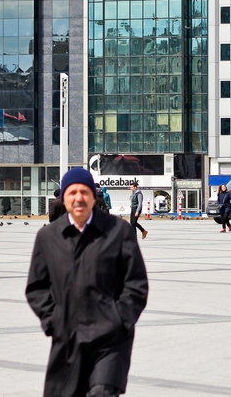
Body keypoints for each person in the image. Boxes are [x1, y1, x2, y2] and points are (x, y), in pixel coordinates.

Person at [26, 167, 148, 397]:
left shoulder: (118, 231)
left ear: (93, 195)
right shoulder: (48, 237)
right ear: (64, 198)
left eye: (84, 191)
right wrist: (54, 321)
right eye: (72, 192)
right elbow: (37, 287)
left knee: (102, 391)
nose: (78, 197)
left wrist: (120, 319)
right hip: (68, 338)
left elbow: (136, 283)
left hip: (110, 338)